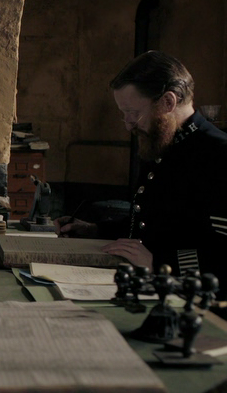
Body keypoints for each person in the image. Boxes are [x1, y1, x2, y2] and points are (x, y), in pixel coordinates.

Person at [54, 51, 227, 315]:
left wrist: (160, 262)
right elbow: (153, 225)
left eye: (133, 113)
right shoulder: (162, 141)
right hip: (154, 291)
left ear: (168, 102)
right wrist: (95, 230)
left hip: (198, 306)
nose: (128, 125)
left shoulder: (217, 154)